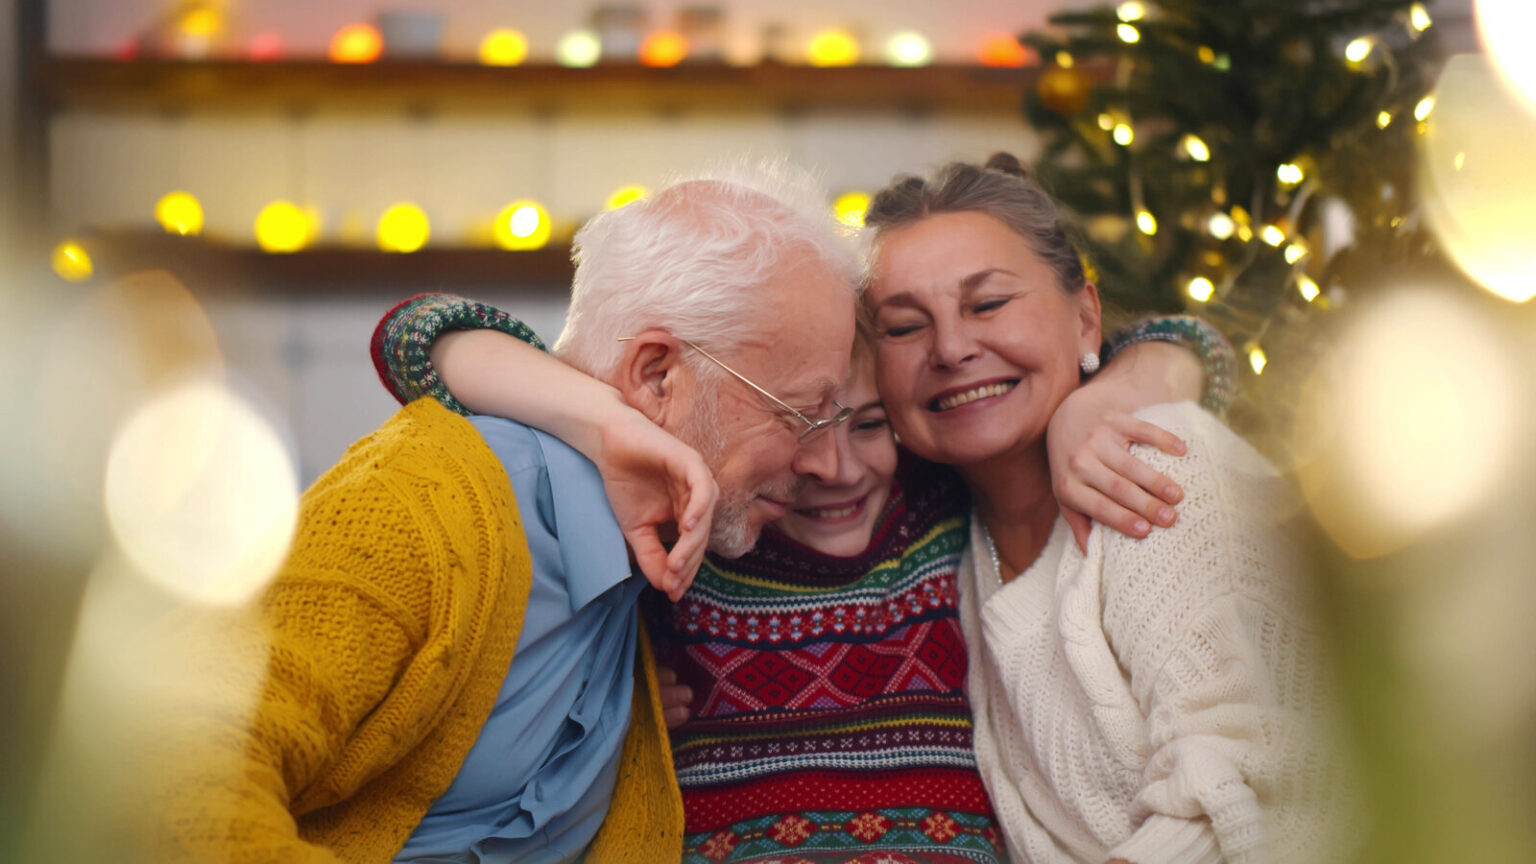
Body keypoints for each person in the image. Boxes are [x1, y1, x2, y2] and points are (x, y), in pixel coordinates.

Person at [133, 159, 865, 864]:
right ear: (656, 375)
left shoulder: (676, 552)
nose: (830, 465)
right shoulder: (417, 509)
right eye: (801, 415)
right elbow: (159, 773)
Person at [371, 293, 1230, 859]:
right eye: (797, 424)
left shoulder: (930, 505)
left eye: (864, 424)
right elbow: (420, 333)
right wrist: (605, 422)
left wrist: (1094, 403)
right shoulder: (703, 520)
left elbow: (1189, 343)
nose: (831, 466)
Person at [862, 154, 1354, 863]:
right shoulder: (938, 542)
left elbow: (1258, 793)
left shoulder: (1160, 461)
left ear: (1086, 318)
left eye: (988, 304)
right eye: (904, 327)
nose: (951, 347)